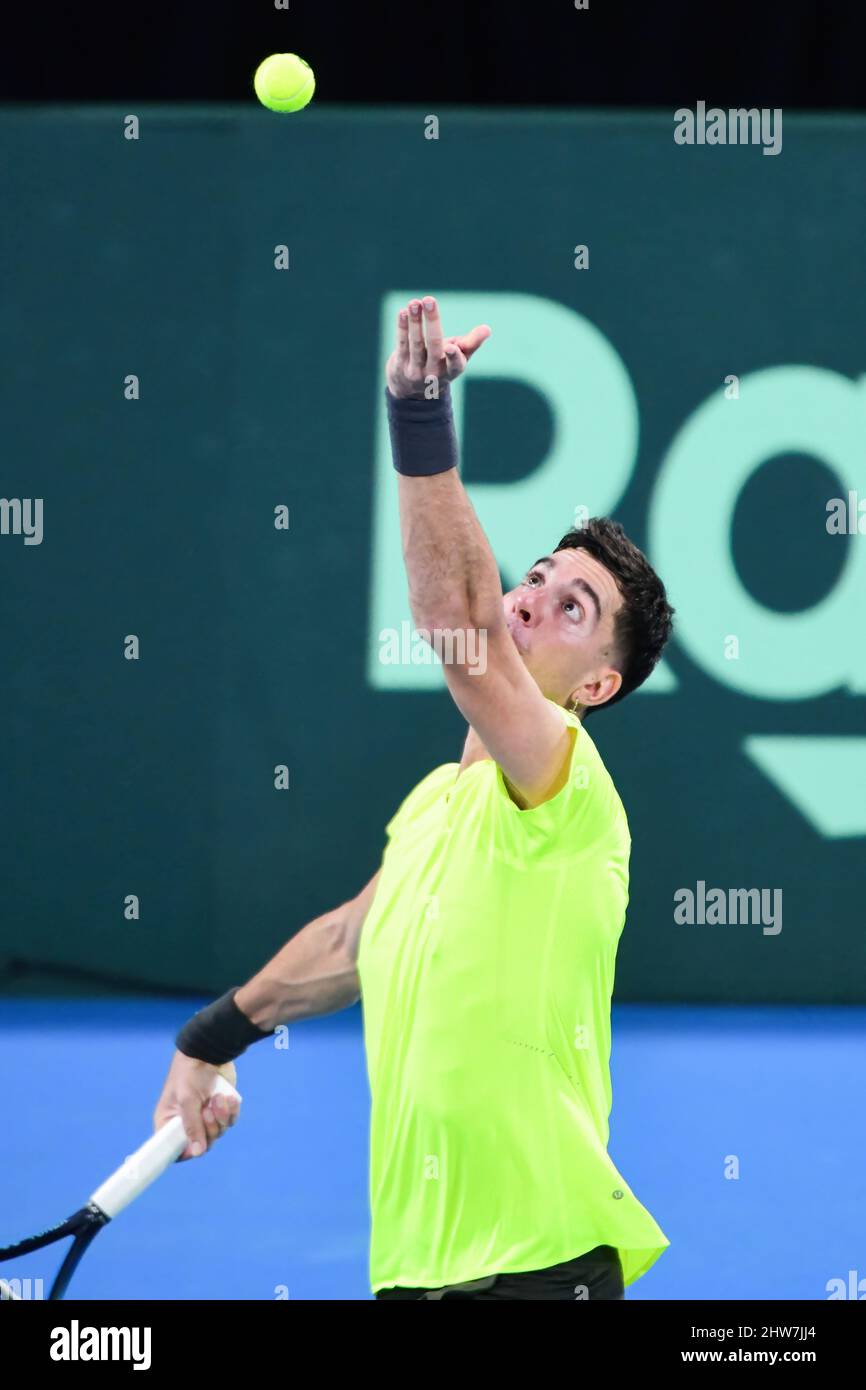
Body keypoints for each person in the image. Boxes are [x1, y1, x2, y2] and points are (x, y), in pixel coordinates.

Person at [154, 295, 675, 1300]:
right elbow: (353, 939)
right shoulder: (436, 804)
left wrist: (418, 415)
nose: (530, 596)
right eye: (536, 574)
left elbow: (462, 625)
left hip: (540, 1266)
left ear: (598, 685)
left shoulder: (566, 784)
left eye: (572, 606)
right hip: (412, 1272)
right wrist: (210, 1041)